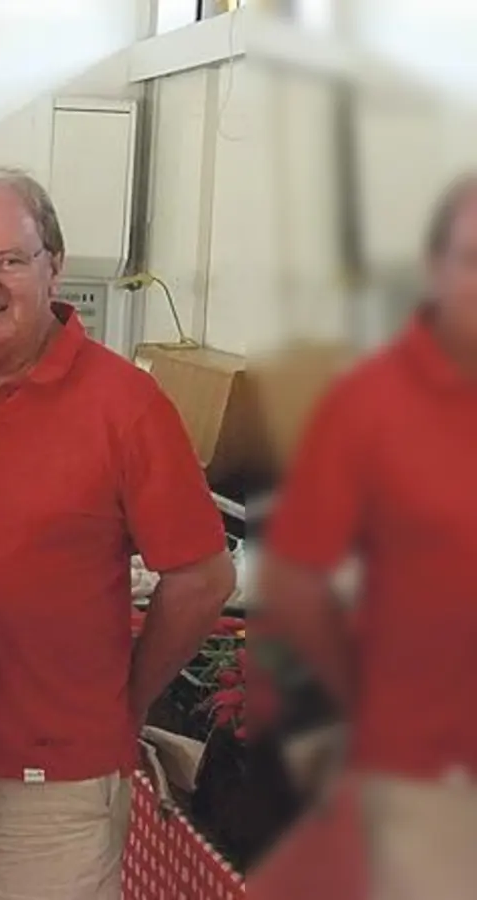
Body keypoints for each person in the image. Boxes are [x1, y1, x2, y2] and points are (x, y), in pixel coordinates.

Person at [0, 168, 235, 900]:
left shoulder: (125, 405)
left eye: (9, 259)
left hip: (47, 793)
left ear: (54, 264)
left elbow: (204, 577)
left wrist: (127, 700)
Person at [257, 173, 477, 899]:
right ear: (437, 268)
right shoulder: (371, 403)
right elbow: (294, 580)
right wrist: (368, 697)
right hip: (432, 784)